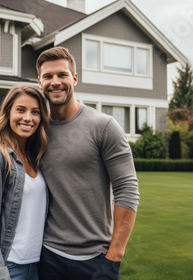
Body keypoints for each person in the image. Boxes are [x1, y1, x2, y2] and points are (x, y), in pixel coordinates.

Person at [36, 47, 140, 279]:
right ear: (40, 81)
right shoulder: (36, 130)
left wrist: (114, 255)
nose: (55, 82)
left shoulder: (104, 126)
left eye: (62, 75)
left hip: (95, 260)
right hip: (46, 255)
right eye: (48, 76)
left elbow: (127, 190)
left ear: (74, 78)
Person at [0, 84, 49, 280]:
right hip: (10, 266)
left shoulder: (36, 156)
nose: (28, 118)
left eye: (35, 112)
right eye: (21, 110)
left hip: (37, 263)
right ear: (7, 114)